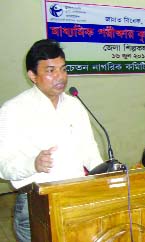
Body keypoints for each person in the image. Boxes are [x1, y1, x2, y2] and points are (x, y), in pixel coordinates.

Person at [0, 39, 104, 242]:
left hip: (76, 198)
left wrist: (104, 173)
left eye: (63, 69)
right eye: (50, 70)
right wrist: (33, 164)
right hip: (36, 204)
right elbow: (3, 166)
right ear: (32, 75)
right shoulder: (12, 111)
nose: (60, 76)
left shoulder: (75, 105)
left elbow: (89, 149)